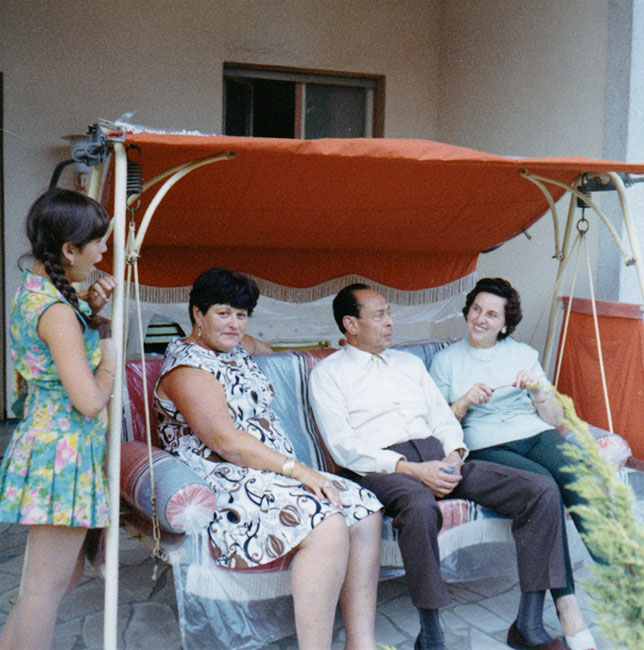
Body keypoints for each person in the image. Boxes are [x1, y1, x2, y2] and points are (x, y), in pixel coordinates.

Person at [309, 283, 570, 650]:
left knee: (540, 490)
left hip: (438, 457)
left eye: (389, 313)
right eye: (380, 315)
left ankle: (528, 623)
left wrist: (453, 455)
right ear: (351, 324)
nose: (390, 322)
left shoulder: (409, 363)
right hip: (382, 469)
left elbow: (443, 420)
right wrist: (412, 471)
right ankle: (431, 634)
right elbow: (344, 446)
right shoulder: (328, 374)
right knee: (418, 505)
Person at [153, 267, 383, 650]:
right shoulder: (188, 369)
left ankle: (361, 644)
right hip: (227, 478)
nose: (235, 324)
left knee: (364, 509)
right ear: (197, 313)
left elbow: (260, 352)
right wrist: (300, 470)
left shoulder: (233, 347)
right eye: (223, 313)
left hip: (271, 470)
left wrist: (266, 350)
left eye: (241, 315)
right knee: (325, 520)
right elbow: (225, 441)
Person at [429, 277, 597, 650]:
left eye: (492, 314)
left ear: (505, 322)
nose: (481, 319)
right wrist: (464, 402)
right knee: (546, 490)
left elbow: (554, 417)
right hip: (487, 443)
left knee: (580, 472)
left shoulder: (523, 355)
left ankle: (619, 569)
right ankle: (568, 610)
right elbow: (437, 426)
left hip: (534, 431)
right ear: (468, 310)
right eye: (476, 309)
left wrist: (537, 390)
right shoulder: (446, 362)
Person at [0, 188, 117, 650]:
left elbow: (58, 360)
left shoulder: (41, 291)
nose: (105, 250)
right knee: (43, 592)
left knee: (56, 584)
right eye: (98, 242)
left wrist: (93, 312)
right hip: (62, 455)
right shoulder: (55, 311)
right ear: (69, 250)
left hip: (57, 449)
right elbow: (88, 400)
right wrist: (109, 355)